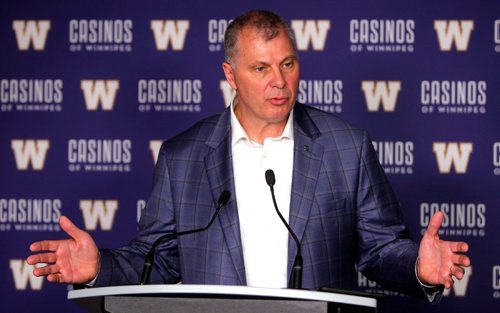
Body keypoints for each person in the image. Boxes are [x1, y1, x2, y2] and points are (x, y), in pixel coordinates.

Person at [27, 10, 469, 301]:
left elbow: (379, 249)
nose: (280, 81)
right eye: (261, 68)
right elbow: (157, 260)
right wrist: (99, 268)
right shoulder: (182, 156)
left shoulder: (346, 146)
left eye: (288, 64)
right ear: (230, 75)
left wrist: (419, 266)